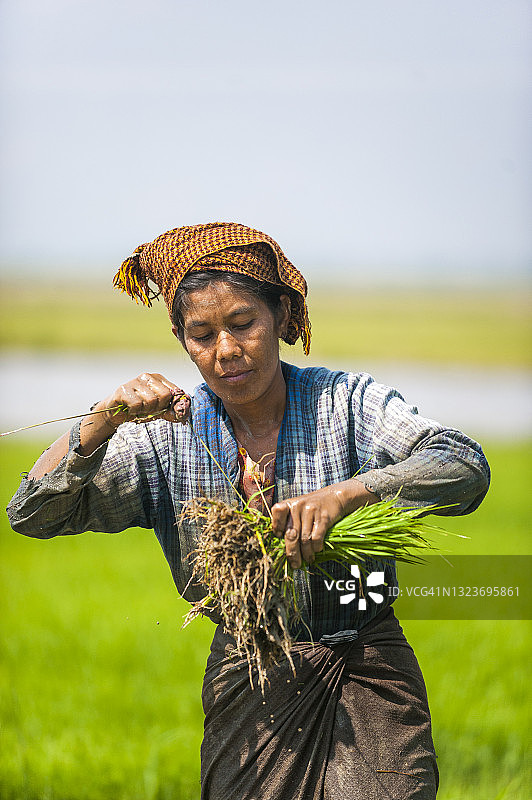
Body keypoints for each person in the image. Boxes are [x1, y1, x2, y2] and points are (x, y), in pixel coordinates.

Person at [7, 222, 490, 800]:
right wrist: (101, 421)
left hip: (364, 663)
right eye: (202, 334)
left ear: (283, 316)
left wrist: (346, 495)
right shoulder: (169, 437)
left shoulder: (347, 403)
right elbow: (32, 514)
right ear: (180, 339)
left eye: (243, 324)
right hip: (249, 675)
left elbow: (463, 465)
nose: (226, 351)